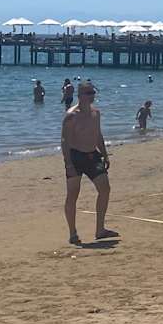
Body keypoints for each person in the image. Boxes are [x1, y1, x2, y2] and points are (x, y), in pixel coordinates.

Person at [61, 81, 113, 245]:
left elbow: (98, 135)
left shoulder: (96, 113)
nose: (92, 96)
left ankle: (100, 229)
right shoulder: (71, 115)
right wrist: (68, 163)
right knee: (73, 194)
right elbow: (65, 141)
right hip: (75, 157)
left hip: (92, 155)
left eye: (93, 93)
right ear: (80, 95)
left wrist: (105, 154)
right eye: (88, 93)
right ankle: (73, 233)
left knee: (105, 189)